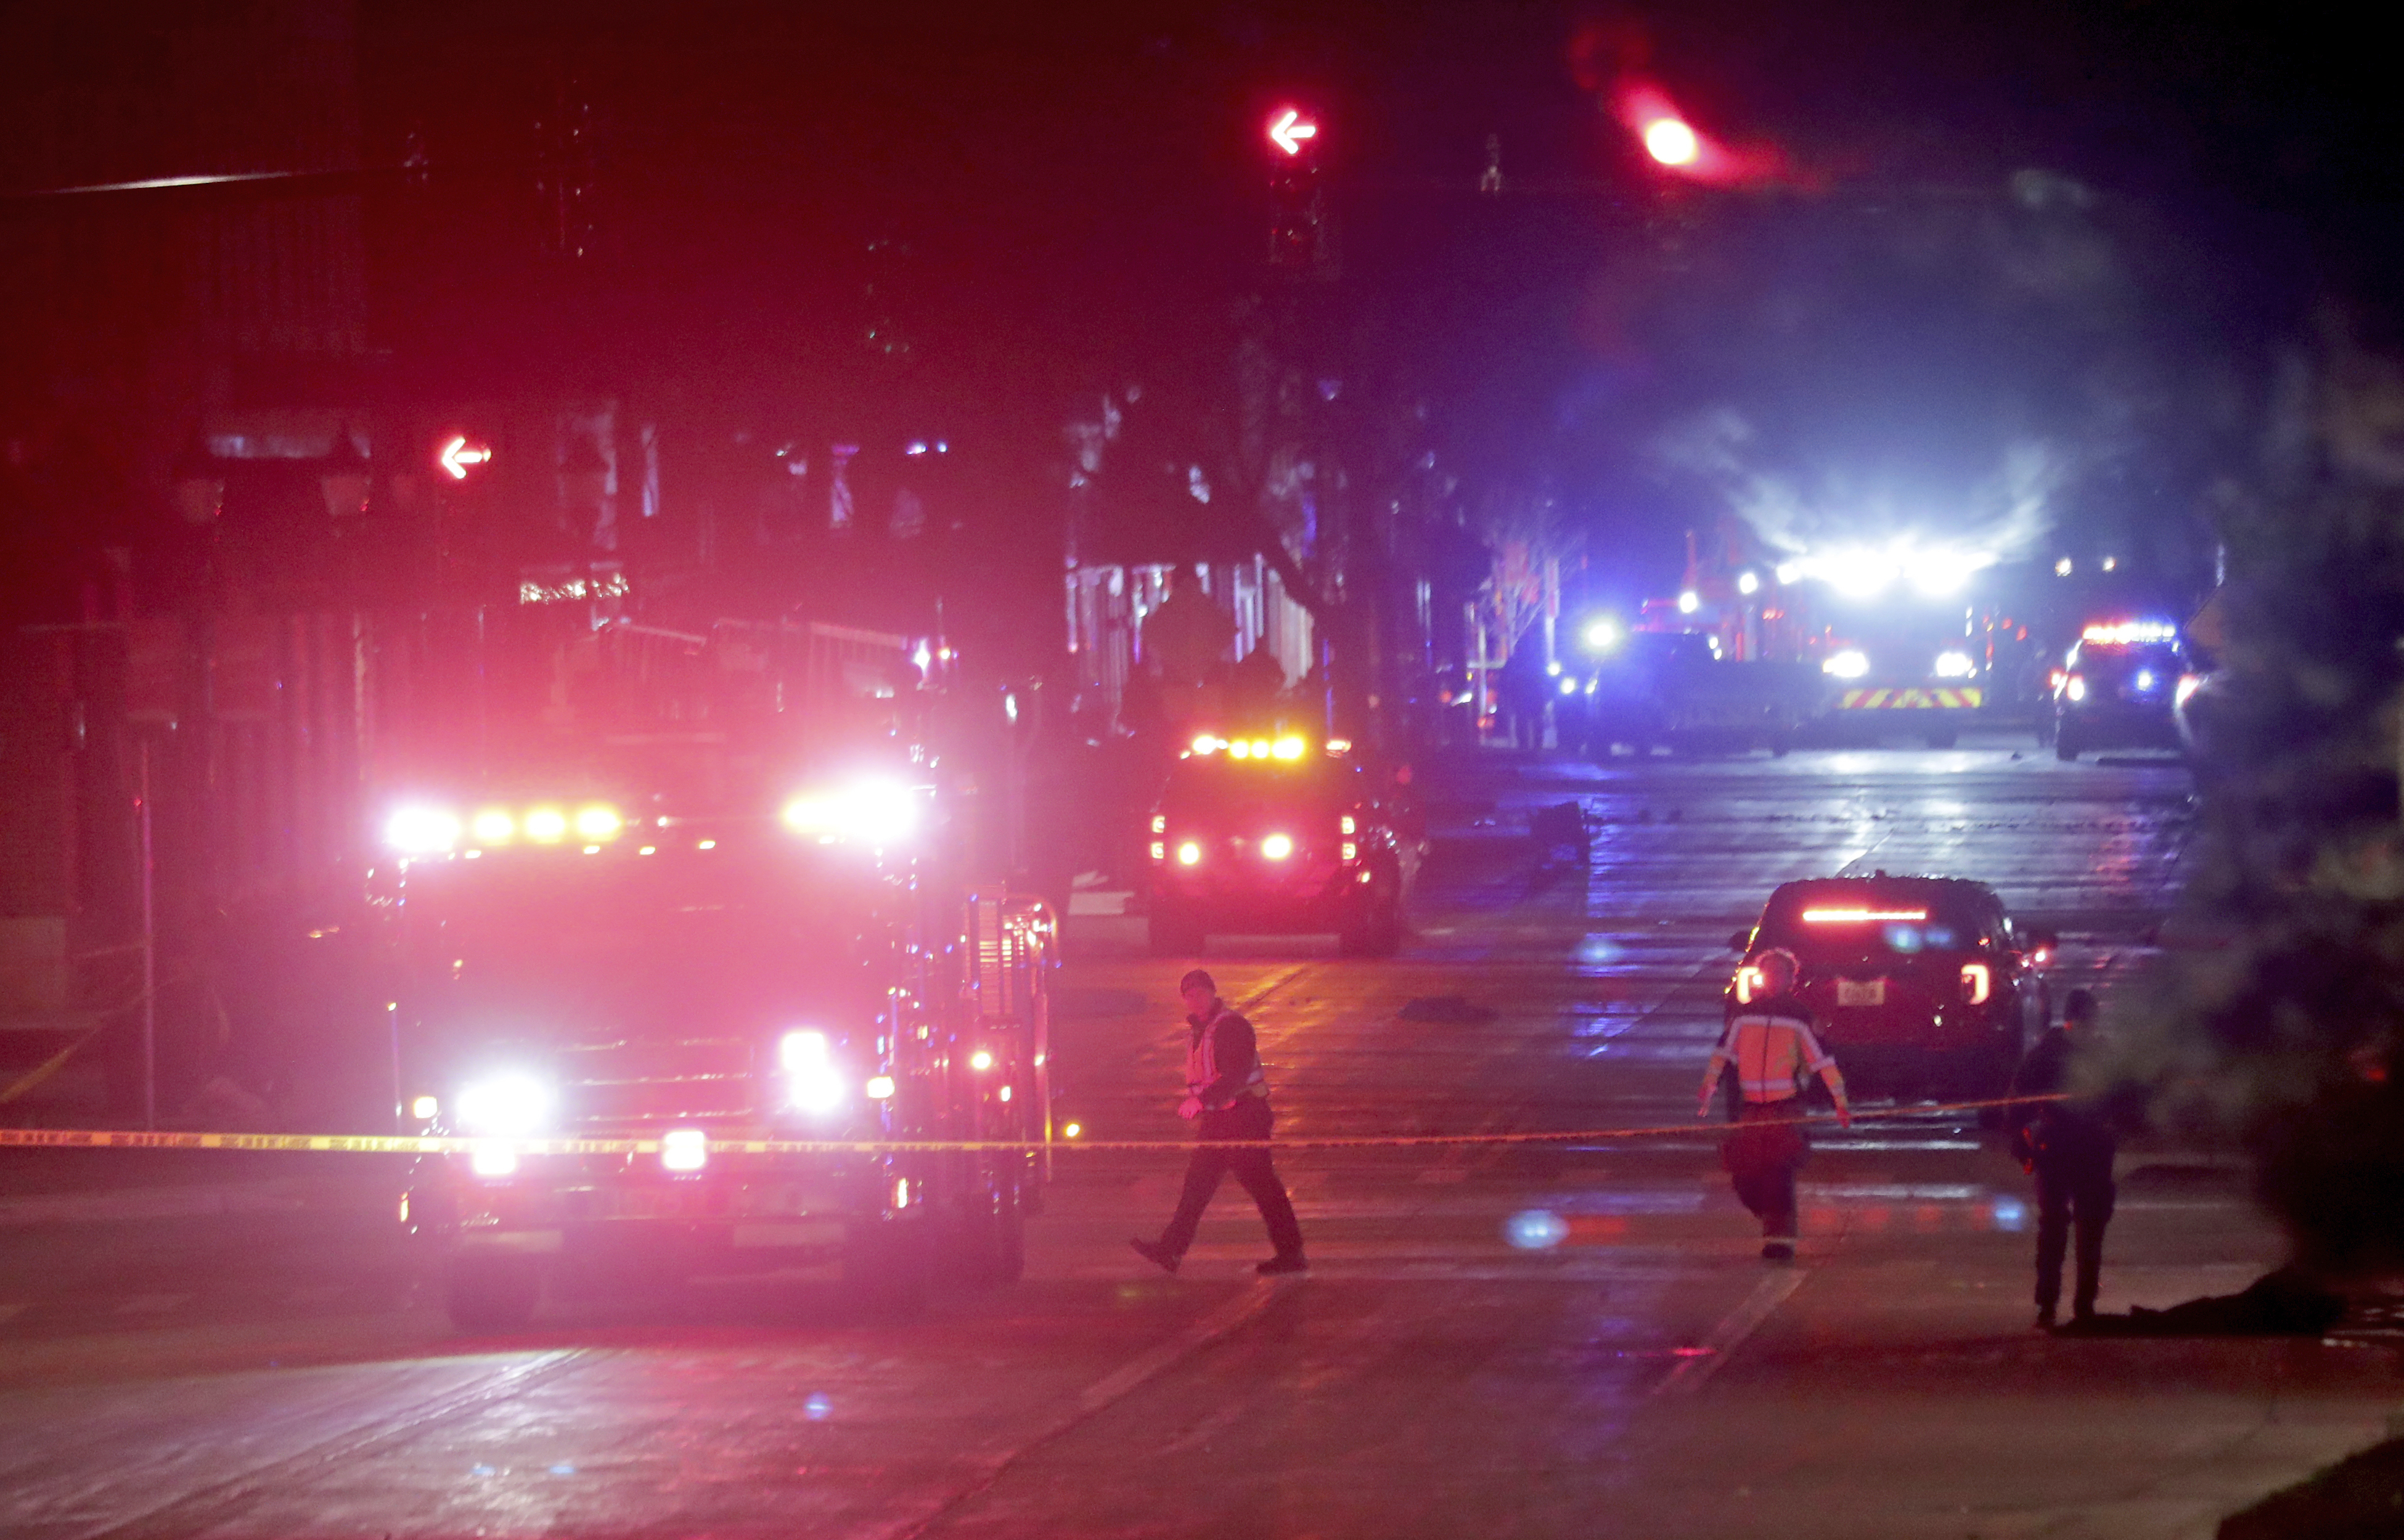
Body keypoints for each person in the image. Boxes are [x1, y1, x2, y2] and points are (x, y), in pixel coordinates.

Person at [1132, 969, 1308, 1276]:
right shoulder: (1202, 1030)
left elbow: (1236, 1075)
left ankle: (1291, 1253)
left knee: (1263, 1186)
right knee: (1198, 1186)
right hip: (1219, 1119)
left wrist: (1201, 1101)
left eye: (1199, 992)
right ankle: (1171, 1251)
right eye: (1188, 995)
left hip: (1245, 1117)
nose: (1194, 999)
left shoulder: (1231, 1027)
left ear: (1213, 993)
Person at [1697, 948, 1852, 1261]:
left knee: (1778, 1174)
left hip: (1786, 1108)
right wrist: (1708, 1087)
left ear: (1791, 979)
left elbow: (1824, 1062)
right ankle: (1769, 1217)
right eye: (1768, 973)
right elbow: (1723, 1054)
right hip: (1752, 1109)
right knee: (1745, 1175)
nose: (1773, 979)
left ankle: (1779, 1241)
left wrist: (1840, 1101)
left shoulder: (1801, 1018)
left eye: (1781, 974)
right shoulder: (1743, 1016)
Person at [2012, 988, 2117, 1330]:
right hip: (2057, 1149)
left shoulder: (2098, 1054)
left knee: (2089, 1231)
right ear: (2071, 1021)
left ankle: (2083, 1306)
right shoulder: (2049, 1054)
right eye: (2082, 1023)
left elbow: (2124, 1099)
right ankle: (2048, 1305)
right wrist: (2021, 1141)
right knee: (2055, 1228)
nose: (2086, 1029)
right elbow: (2020, 1100)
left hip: (2092, 1151)